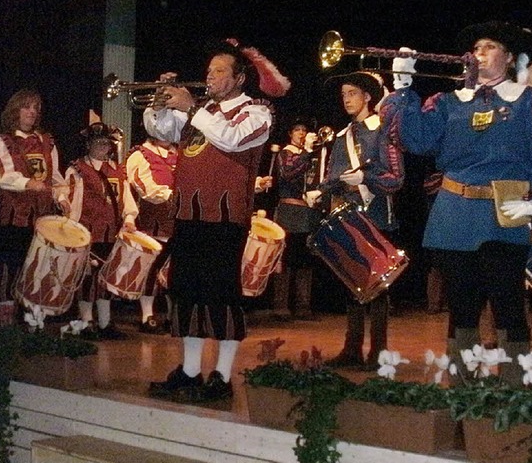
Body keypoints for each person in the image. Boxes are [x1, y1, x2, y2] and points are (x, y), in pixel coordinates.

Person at [385, 20, 532, 385]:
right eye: (476, 48)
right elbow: (414, 140)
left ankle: (512, 391)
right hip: (455, 214)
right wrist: (404, 89)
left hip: (504, 214)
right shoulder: (447, 102)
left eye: (489, 47)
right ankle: (462, 391)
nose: (480, 53)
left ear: (508, 58)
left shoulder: (529, 101)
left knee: (507, 306)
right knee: (462, 308)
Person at [145, 39, 290, 402]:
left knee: (220, 295)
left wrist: (192, 107)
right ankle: (191, 372)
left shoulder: (258, 111)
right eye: (208, 71)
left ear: (239, 78)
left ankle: (222, 377)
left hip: (225, 218)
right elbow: (160, 129)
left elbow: (231, 139)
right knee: (187, 293)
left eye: (219, 71)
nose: (210, 76)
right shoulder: (203, 111)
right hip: (189, 213)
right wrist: (160, 101)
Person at [308, 71, 405, 369]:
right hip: (348, 215)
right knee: (352, 286)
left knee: (377, 288)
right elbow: (333, 178)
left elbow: (396, 179)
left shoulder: (384, 130)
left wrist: (366, 179)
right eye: (344, 95)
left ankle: (379, 352)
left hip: (376, 215)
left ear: (367, 97)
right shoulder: (341, 136)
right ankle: (352, 349)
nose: (347, 99)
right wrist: (319, 191)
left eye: (352, 93)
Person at [0, 89, 70, 324]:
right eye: (27, 107)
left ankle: (33, 322)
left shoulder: (47, 141)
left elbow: (55, 177)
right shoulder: (3, 142)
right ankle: (7, 325)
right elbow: (1, 175)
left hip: (41, 219)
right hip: (14, 217)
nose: (32, 112)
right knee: (10, 268)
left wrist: (62, 198)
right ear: (15, 110)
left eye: (36, 108)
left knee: (38, 269)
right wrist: (28, 183)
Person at [65, 120, 138, 340]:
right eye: (97, 142)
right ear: (88, 145)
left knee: (105, 279)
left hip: (110, 234)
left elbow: (126, 200)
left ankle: (105, 323)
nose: (102, 147)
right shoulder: (77, 169)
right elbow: (71, 204)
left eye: (106, 143)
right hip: (86, 232)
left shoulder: (116, 170)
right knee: (87, 278)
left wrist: (129, 219)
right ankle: (86, 322)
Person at [125, 129, 178, 334]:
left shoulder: (179, 153)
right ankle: (147, 316)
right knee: (150, 270)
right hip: (152, 223)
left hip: (177, 224)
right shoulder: (140, 155)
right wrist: (172, 194)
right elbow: (144, 187)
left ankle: (173, 316)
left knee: (174, 271)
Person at [272, 118, 323, 321]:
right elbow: (287, 174)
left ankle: (303, 306)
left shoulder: (309, 155)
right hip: (290, 211)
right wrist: (308, 154)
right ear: (290, 134)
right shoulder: (286, 153)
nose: (301, 133)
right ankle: (280, 306)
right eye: (297, 130)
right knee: (286, 259)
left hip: (308, 211)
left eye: (304, 130)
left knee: (305, 259)